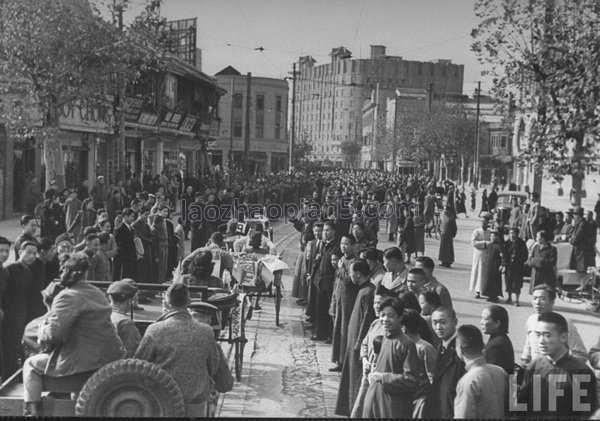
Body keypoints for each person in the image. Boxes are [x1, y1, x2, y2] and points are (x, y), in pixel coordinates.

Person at [22, 253, 125, 416]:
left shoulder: (67, 296)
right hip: (106, 359)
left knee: (30, 365)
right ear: (85, 273)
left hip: (84, 365)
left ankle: (32, 414)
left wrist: (42, 328)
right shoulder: (97, 293)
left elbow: (55, 335)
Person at [134, 283, 224, 416]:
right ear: (188, 302)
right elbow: (214, 366)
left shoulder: (155, 330)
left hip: (163, 399)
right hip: (195, 399)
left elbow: (140, 364)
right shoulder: (206, 331)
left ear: (167, 303)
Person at [517, 312, 597, 418]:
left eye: (547, 335)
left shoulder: (580, 372)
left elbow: (587, 414)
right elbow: (522, 405)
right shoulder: (535, 365)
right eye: (538, 335)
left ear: (563, 337)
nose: (541, 341)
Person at [361, 297, 420, 418]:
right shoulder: (383, 339)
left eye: (391, 316)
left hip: (392, 405)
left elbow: (411, 380)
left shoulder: (406, 344)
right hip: (374, 397)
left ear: (400, 318)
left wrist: (383, 377)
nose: (385, 319)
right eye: (382, 315)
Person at [335, 259, 376, 416]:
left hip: (357, 343)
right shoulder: (363, 290)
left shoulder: (368, 292)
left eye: (351, 273)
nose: (349, 276)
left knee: (356, 379)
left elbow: (366, 321)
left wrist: (359, 343)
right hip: (353, 340)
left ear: (358, 274)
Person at [349, 284, 392, 418]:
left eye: (380, 303)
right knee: (360, 407)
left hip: (382, 377)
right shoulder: (375, 323)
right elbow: (365, 344)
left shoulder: (391, 328)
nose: (377, 306)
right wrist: (364, 360)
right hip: (368, 373)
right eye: (375, 302)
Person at [520, 285, 588, 365]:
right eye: (534, 298)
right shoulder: (531, 320)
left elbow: (580, 354)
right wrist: (525, 360)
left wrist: (562, 367)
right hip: (537, 371)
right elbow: (528, 344)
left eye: (543, 299)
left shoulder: (563, 322)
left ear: (552, 302)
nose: (537, 303)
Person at [454, 324, 507, 419]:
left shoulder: (468, 381)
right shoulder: (500, 371)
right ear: (482, 346)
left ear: (460, 349)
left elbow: (463, 416)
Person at [1, 241, 37, 378]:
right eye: (28, 252)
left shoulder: (28, 272)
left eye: (34, 253)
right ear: (20, 252)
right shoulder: (10, 269)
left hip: (20, 315)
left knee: (16, 347)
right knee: (8, 348)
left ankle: (14, 375)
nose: (32, 256)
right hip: (8, 316)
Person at [423, 306, 466, 419]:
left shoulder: (461, 350)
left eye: (443, 322)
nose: (438, 327)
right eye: (435, 322)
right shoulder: (440, 346)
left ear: (454, 322)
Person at [402, 308, 437, 418]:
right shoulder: (400, 345)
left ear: (403, 328)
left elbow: (433, 377)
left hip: (419, 398)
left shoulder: (424, 348)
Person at [330, 235, 357, 373]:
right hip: (339, 296)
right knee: (337, 328)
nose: (343, 246)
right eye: (342, 243)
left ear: (352, 245)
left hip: (348, 299)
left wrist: (340, 268)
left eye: (346, 244)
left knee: (344, 329)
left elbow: (349, 280)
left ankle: (343, 360)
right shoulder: (342, 259)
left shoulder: (354, 261)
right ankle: (338, 359)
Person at [312, 221, 339, 342]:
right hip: (320, 281)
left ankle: (330, 335)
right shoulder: (322, 245)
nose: (324, 233)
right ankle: (319, 333)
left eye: (327, 230)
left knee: (330, 310)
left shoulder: (336, 247)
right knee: (319, 309)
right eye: (323, 230)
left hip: (330, 282)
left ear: (333, 232)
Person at [106, 279, 141, 358]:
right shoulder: (125, 323)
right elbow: (133, 352)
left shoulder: (102, 316)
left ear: (110, 299)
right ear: (129, 301)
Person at [480, 305, 514, 374]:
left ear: (497, 323)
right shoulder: (500, 339)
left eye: (485, 319)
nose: (481, 322)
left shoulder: (496, 346)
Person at [469, 213, 492, 299]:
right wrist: (485, 244)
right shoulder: (476, 231)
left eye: (485, 221)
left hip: (487, 255)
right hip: (478, 255)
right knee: (478, 272)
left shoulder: (490, 232)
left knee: (485, 273)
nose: (483, 223)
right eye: (482, 221)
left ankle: (484, 290)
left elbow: (493, 242)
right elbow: (473, 243)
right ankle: (477, 290)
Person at [503, 227, 528, 306]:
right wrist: (504, 264)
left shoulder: (521, 243)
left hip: (518, 266)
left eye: (513, 233)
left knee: (517, 283)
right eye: (510, 233)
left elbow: (525, 255)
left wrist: (519, 261)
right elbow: (504, 254)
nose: (512, 235)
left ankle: (517, 300)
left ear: (517, 234)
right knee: (508, 281)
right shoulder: (507, 243)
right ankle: (509, 297)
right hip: (509, 266)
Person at [114, 208, 138, 281]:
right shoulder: (120, 229)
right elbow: (119, 245)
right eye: (131, 216)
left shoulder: (130, 228)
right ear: (125, 216)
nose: (132, 218)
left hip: (130, 259)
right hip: (124, 260)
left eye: (133, 216)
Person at [569, 206, 594, 274]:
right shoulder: (580, 223)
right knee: (580, 270)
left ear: (577, 215)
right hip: (580, 251)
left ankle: (583, 284)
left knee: (582, 270)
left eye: (574, 215)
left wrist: (571, 240)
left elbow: (577, 238)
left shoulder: (582, 224)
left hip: (582, 251)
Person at [481, 229, 503, 303]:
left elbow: (503, 256)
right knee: (488, 281)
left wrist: (502, 264)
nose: (493, 238)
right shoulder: (489, 245)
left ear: (497, 237)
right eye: (491, 236)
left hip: (496, 266)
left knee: (495, 281)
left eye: (494, 236)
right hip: (488, 266)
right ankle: (489, 295)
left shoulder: (499, 246)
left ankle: (495, 296)